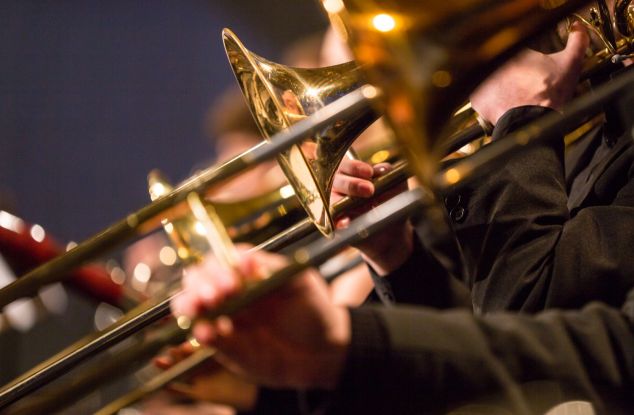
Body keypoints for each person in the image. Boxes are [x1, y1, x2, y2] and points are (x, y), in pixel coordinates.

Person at [170, 20, 634, 415]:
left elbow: (533, 311)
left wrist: (524, 122)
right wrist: (396, 257)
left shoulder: (556, 136)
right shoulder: (590, 136)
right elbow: (480, 355)